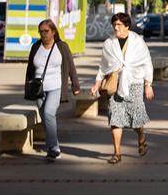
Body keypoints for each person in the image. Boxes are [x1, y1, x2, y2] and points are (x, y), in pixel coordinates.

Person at [90, 12, 154, 163]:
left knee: (135, 118)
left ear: (127, 26)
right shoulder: (109, 43)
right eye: (114, 25)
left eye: (119, 25)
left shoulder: (138, 42)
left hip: (135, 82)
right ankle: (117, 153)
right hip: (115, 84)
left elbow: (147, 63)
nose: (116, 28)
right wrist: (97, 83)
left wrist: (148, 85)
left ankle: (141, 137)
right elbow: (104, 67)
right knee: (115, 118)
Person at [24, 19, 80, 160]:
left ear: (53, 31)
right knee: (46, 118)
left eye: (46, 31)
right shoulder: (36, 47)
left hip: (55, 87)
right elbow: (30, 69)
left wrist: (75, 86)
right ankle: (53, 147)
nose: (43, 34)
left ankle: (54, 148)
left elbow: (71, 67)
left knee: (49, 113)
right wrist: (28, 87)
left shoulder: (61, 47)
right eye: (41, 31)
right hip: (38, 89)